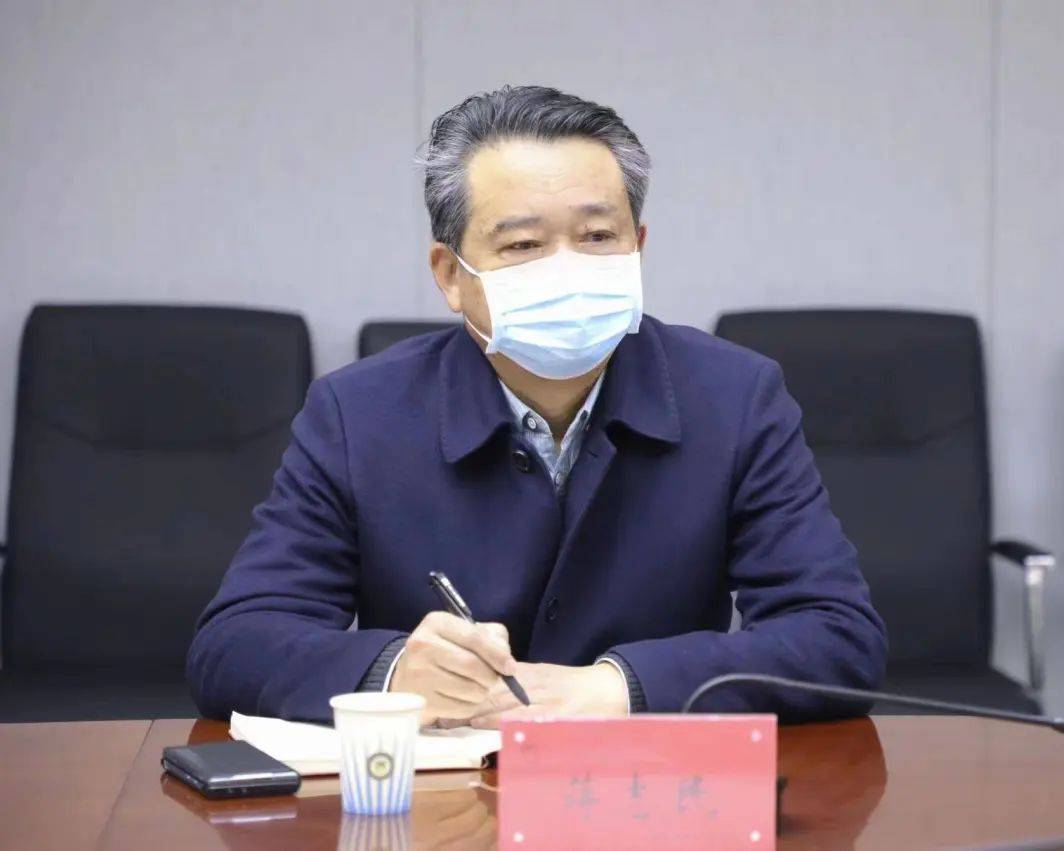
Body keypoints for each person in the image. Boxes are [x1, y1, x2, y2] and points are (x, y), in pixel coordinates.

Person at [187, 85, 886, 727]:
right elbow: (234, 643)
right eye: (523, 244)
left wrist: (620, 686)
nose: (567, 267)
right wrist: (395, 671)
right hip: (444, 797)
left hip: (649, 793)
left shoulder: (735, 398)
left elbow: (837, 636)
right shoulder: (358, 414)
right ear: (450, 275)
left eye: (597, 237)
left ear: (638, 248)